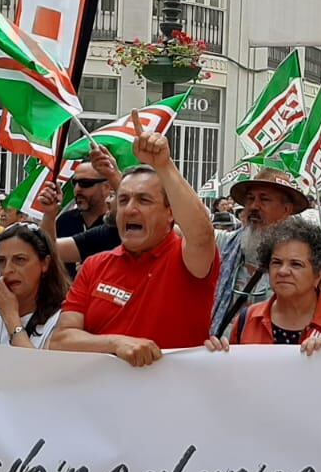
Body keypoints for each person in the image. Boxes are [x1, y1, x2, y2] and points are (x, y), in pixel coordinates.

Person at [50, 117, 220, 365]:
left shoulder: (186, 260)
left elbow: (202, 233)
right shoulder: (94, 266)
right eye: (123, 200)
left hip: (173, 399)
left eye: (144, 200)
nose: (129, 210)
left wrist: (164, 165)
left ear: (170, 212)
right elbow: (61, 341)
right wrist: (116, 343)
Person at [209, 220, 321, 349]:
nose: (283, 271)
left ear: (318, 274)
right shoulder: (247, 319)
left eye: (296, 264)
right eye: (276, 262)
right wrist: (221, 358)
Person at [209, 167, 310, 340]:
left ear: (286, 209)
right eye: (250, 199)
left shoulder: (303, 258)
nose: (254, 206)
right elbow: (192, 232)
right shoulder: (226, 244)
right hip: (222, 355)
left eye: (264, 199)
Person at [0, 224, 70, 347]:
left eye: (20, 259)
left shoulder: (63, 318)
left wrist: (11, 317)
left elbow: (36, 366)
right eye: (1, 261)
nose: (7, 270)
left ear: (45, 264)